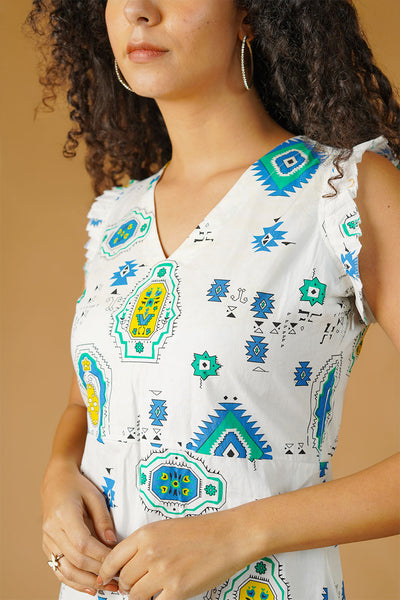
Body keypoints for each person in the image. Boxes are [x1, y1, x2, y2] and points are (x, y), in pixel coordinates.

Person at [27, 1, 400, 599]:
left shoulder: (344, 193)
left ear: (251, 13)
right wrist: (58, 474)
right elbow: (87, 405)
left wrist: (238, 534)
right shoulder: (114, 219)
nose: (138, 10)